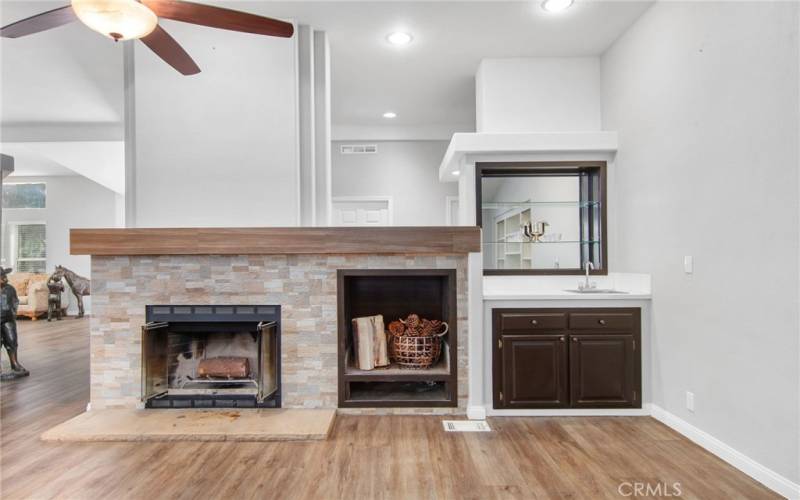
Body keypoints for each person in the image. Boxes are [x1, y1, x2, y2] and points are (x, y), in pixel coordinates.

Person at [1, 267, 29, 379]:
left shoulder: (10, 289)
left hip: (8, 320)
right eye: (2, 276)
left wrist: (13, 312)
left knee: (12, 341)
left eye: (4, 275)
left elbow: (15, 301)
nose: (4, 278)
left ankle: (14, 363)